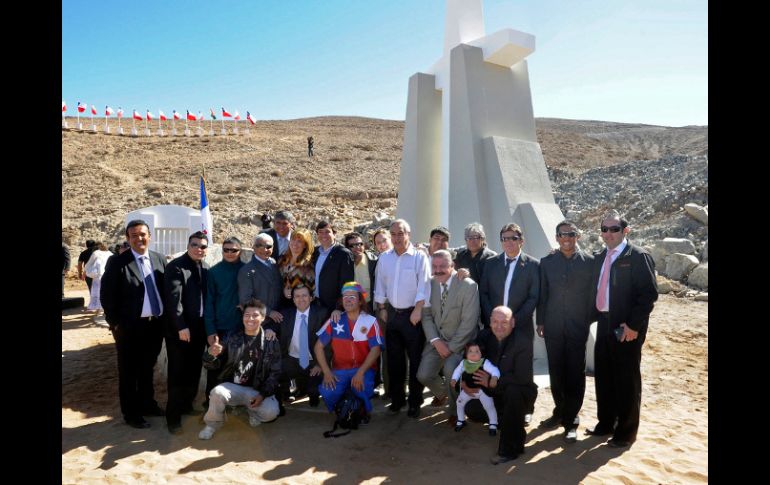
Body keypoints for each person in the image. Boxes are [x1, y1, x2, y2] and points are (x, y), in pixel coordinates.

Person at [587, 209, 658, 448]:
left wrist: (634, 325)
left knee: (627, 380)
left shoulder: (637, 256)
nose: (608, 233)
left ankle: (626, 432)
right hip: (604, 323)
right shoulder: (600, 257)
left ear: (625, 231)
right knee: (604, 377)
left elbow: (648, 295)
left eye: (614, 229)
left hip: (626, 327)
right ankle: (606, 423)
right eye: (604, 229)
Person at [100, 220, 167, 429]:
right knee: (129, 372)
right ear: (128, 238)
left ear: (150, 236)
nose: (139, 238)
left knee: (147, 368)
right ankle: (131, 413)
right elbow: (107, 295)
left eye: (143, 234)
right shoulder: (117, 262)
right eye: (134, 235)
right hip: (129, 328)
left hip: (155, 326)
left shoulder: (159, 258)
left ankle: (148, 404)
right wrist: (114, 324)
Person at [536, 220, 595, 443]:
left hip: (578, 328)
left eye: (571, 234)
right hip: (552, 327)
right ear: (557, 238)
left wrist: (587, 319)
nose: (566, 238)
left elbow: (594, 295)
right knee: (556, 372)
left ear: (577, 236)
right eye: (562, 234)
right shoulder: (547, 262)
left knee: (575, 374)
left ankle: (571, 421)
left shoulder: (590, 262)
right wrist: (541, 321)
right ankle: (559, 412)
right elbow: (543, 294)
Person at [198, 298, 282, 440]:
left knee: (271, 412)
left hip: (257, 390)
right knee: (217, 392)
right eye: (247, 315)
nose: (250, 319)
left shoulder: (271, 342)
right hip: (234, 388)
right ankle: (212, 424)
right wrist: (210, 355)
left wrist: (262, 395)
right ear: (242, 317)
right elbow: (212, 366)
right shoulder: (231, 337)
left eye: (255, 315)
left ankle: (252, 412)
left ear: (263, 318)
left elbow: (275, 373)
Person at [374, 219, 431, 418]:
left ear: (409, 234)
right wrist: (381, 307)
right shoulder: (385, 258)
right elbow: (380, 284)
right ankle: (397, 400)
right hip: (392, 314)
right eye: (393, 234)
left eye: (401, 233)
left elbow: (424, 285)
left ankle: (415, 401)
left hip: (413, 316)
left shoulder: (419, 257)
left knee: (415, 361)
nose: (397, 238)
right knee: (395, 362)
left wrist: (418, 309)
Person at [416, 249, 479, 423]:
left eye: (442, 266)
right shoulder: (429, 284)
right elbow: (426, 316)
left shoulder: (468, 286)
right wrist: (436, 341)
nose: (438, 270)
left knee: (451, 371)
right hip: (437, 341)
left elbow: (469, 323)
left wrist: (450, 348)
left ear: (452, 265)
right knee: (423, 375)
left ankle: (455, 410)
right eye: (434, 266)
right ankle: (444, 393)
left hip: (460, 343)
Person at [469, 306, 538, 465]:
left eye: (504, 322)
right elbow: (473, 363)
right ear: (490, 322)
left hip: (519, 392)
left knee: (513, 391)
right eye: (495, 322)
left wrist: (493, 380)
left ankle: (510, 449)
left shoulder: (523, 341)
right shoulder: (483, 336)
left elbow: (522, 377)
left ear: (512, 322)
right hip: (494, 392)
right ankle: (510, 423)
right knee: (471, 408)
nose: (499, 326)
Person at [314, 282, 383, 420]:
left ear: (360, 301)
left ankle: (362, 410)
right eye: (345, 297)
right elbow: (318, 347)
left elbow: (376, 349)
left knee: (361, 387)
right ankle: (344, 406)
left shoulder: (370, 321)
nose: (348, 300)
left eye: (352, 297)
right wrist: (327, 372)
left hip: (363, 369)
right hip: (340, 369)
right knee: (327, 392)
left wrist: (360, 372)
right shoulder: (335, 320)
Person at [164, 231, 209, 434]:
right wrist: (181, 326)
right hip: (180, 330)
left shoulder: (205, 267)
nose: (199, 249)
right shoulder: (176, 267)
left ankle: (186, 406)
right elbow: (174, 300)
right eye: (195, 245)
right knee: (177, 373)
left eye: (203, 246)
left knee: (194, 370)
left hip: (199, 328)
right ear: (188, 245)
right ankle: (173, 418)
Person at [204, 237, 245, 401]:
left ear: (240, 251)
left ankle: (235, 404)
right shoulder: (214, 272)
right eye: (226, 250)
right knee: (215, 368)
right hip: (220, 329)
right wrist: (210, 330)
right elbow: (209, 303)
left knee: (238, 369)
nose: (229, 253)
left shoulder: (247, 270)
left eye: (233, 250)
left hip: (242, 328)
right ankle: (211, 403)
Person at [275, 285, 329, 407]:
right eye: (297, 296)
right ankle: (285, 394)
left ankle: (312, 392)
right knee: (275, 373)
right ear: (293, 299)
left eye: (304, 295)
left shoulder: (322, 313)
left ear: (311, 298)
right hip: (291, 359)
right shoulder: (285, 314)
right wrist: (269, 330)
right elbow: (272, 325)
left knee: (313, 391)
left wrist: (320, 364)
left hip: (313, 361)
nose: (301, 299)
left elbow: (328, 343)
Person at [451, 343, 500, 435]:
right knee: (459, 403)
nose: (473, 353)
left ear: (481, 353)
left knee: (489, 406)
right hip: (467, 390)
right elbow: (457, 371)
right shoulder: (464, 363)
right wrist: (454, 379)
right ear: (466, 354)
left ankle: (493, 424)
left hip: (482, 391)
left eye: (477, 351)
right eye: (470, 351)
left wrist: (494, 377)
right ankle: (461, 420)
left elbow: (494, 370)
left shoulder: (484, 362)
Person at [238, 233, 283, 325]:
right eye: (259, 246)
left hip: (279, 318)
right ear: (253, 247)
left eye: (268, 246)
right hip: (260, 321)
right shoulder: (246, 270)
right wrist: (269, 312)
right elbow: (246, 300)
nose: (264, 249)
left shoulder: (275, 264)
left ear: (273, 248)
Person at [312, 221, 355, 313]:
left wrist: (339, 308)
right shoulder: (315, 252)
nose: (324, 235)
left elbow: (347, 284)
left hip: (333, 307)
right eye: (320, 232)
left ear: (334, 234)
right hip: (315, 303)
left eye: (327, 232)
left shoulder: (343, 254)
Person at [277, 228, 316, 308]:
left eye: (299, 241)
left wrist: (293, 292)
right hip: (279, 304)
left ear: (305, 245)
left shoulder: (308, 265)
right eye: (293, 239)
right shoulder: (281, 259)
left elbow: (311, 290)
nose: (295, 243)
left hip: (299, 307)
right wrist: (283, 289)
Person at [344, 232, 378, 314]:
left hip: (369, 306)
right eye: (352, 245)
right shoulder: (344, 264)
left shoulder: (373, 262)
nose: (357, 247)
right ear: (347, 248)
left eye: (360, 244)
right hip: (349, 306)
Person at [84, 242, 113, 314]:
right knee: (107, 292)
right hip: (108, 276)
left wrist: (86, 271)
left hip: (98, 276)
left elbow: (88, 264)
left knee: (98, 292)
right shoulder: (110, 254)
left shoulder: (96, 253)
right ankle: (105, 309)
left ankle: (99, 309)